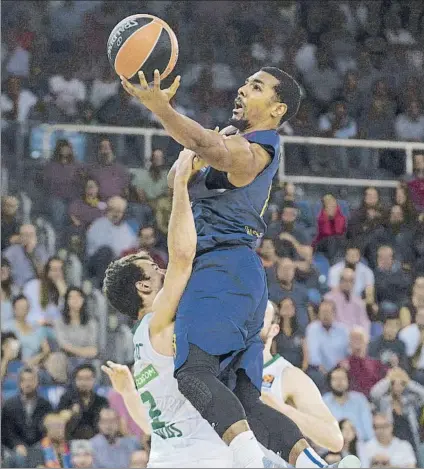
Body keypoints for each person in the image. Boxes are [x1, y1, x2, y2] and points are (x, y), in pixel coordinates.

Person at [103, 151, 357, 468]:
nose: (163, 271)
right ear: (143, 287)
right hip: (203, 461)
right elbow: (181, 258)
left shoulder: (145, 352)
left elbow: (154, 427)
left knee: (245, 400)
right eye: (154, 270)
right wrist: (181, 183)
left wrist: (128, 394)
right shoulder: (158, 319)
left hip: (169, 459)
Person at [260, 301, 344, 452]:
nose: (251, 320)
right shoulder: (220, 367)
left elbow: (334, 439)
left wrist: (284, 410)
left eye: (259, 316)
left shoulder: (287, 375)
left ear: (274, 329)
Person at [1, 367, 52, 463]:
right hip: (15, 446)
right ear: (19, 383)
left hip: (39, 445)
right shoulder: (9, 405)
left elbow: (47, 430)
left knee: (41, 455)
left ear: (37, 382)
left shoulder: (46, 405)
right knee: (19, 458)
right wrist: (17, 444)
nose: (27, 384)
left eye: (31, 380)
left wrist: (41, 443)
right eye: (23, 380)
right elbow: (6, 432)